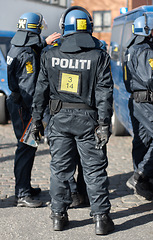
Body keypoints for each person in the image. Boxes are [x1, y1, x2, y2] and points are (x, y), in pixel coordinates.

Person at [31, 6, 114, 235]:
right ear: (89, 25)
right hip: (89, 120)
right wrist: (104, 123)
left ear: (63, 27)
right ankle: (101, 219)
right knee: (94, 170)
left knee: (60, 170)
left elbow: (41, 90)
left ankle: (59, 216)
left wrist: (37, 119)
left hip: (59, 119)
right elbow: (105, 92)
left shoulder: (50, 54)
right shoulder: (99, 55)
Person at [6, 12, 61, 208]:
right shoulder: (27, 54)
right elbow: (29, 89)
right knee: (26, 147)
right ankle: (22, 193)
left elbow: (30, 50)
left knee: (28, 146)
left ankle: (25, 187)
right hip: (25, 107)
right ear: (34, 28)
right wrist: (39, 116)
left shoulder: (17, 46)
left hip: (17, 103)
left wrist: (44, 43)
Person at [123, 13, 153, 200]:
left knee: (141, 141)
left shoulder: (131, 48)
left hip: (136, 100)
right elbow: (151, 77)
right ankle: (140, 175)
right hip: (147, 102)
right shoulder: (145, 50)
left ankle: (143, 183)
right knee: (143, 141)